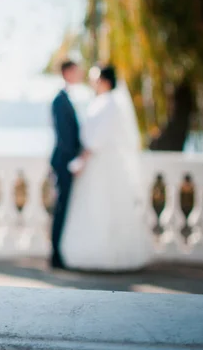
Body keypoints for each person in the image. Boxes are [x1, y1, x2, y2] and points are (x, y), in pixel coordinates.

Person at [61, 65, 153, 271]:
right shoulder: (102, 102)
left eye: (94, 78)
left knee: (106, 203)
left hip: (102, 163)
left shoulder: (110, 104)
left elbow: (98, 139)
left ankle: (110, 255)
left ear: (104, 81)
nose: (92, 82)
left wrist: (82, 160)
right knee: (95, 205)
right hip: (97, 163)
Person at [49, 60, 83, 269]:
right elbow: (64, 138)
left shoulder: (67, 98)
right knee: (60, 208)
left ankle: (59, 252)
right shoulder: (59, 101)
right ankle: (55, 255)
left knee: (64, 207)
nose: (79, 74)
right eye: (76, 71)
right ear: (67, 72)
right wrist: (73, 162)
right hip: (64, 163)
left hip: (67, 162)